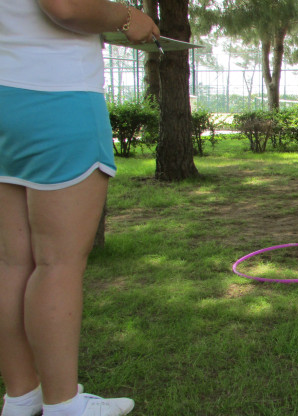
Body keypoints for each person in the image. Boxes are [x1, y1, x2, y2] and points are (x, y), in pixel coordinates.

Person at [0, 1, 159, 416]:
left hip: (5, 95)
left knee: (12, 263)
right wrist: (127, 17)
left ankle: (21, 396)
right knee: (58, 263)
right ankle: (63, 404)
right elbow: (66, 6)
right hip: (56, 95)